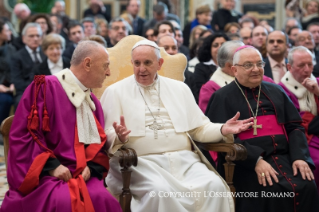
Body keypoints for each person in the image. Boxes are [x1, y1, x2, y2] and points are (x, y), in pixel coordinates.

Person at [101, 39, 254, 212]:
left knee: (214, 186)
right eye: (137, 63)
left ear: (159, 63)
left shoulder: (180, 89)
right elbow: (106, 136)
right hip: (141, 165)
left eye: (147, 63)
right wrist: (118, 137)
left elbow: (199, 129)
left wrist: (222, 129)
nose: (141, 69)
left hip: (185, 162)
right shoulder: (115, 91)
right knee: (160, 192)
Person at [1, 40, 121, 212]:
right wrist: (52, 166)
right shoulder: (44, 87)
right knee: (64, 202)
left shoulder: (92, 101)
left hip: (82, 173)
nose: (108, 73)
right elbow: (25, 136)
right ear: (87, 63)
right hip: (46, 175)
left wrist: (90, 167)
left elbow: (96, 145)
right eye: (105, 66)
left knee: (103, 200)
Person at [205, 45, 319, 212]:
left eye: (259, 64)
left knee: (307, 185)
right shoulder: (222, 97)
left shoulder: (276, 90)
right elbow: (222, 137)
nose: (256, 69)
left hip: (284, 157)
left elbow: (294, 127)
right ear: (235, 70)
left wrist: (300, 157)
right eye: (248, 65)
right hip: (244, 164)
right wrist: (255, 160)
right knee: (271, 191)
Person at [279, 46, 319, 193]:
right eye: (301, 65)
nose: (307, 70)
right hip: (303, 139)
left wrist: (317, 92)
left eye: (310, 64)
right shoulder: (281, 89)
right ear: (289, 67)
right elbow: (292, 123)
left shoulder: (318, 82)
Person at [10, 23, 46, 109]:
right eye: (31, 36)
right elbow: (17, 81)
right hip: (26, 91)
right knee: (21, 102)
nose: (35, 38)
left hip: (47, 89)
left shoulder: (47, 53)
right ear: (23, 38)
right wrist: (36, 89)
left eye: (38, 35)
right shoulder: (17, 57)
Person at [193, 33, 229, 102]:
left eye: (223, 45)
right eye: (215, 45)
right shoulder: (201, 67)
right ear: (209, 49)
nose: (219, 48)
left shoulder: (234, 66)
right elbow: (200, 91)